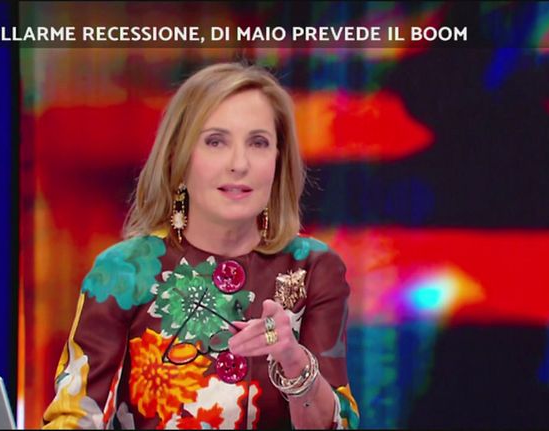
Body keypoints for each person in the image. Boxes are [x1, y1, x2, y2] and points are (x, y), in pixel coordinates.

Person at [42, 62, 359, 429]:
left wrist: (293, 360)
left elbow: (337, 424)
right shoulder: (125, 271)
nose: (239, 163)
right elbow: (76, 417)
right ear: (179, 157)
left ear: (278, 160)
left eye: (258, 143)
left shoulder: (314, 269)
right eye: (215, 141)